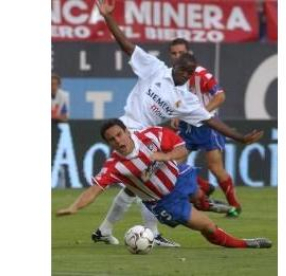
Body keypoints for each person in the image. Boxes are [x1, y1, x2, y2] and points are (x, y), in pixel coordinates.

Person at [90, 0, 264, 248]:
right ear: (175, 65)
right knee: (153, 185)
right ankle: (156, 229)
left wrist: (240, 138)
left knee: (139, 187)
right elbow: (128, 47)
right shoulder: (154, 69)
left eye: (188, 71)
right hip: (129, 132)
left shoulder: (186, 100)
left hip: (146, 139)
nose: (184, 73)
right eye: (182, 68)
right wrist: (108, 18)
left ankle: (109, 230)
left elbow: (209, 120)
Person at [56, 119, 272, 249]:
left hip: (179, 176)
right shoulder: (115, 166)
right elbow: (94, 190)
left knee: (199, 195)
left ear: (127, 131)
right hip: (164, 202)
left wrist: (160, 157)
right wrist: (74, 207)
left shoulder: (151, 135)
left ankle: (206, 202)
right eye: (112, 139)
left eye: (120, 134)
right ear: (108, 143)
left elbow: (182, 149)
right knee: (207, 227)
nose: (118, 141)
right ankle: (246, 243)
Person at [168, 38, 242, 217]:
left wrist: (201, 112)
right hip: (187, 127)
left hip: (208, 126)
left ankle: (234, 206)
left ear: (189, 54)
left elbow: (220, 96)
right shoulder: (171, 75)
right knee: (171, 164)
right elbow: (179, 99)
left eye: (181, 53)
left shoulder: (201, 74)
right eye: (174, 53)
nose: (177, 56)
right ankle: (205, 187)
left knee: (216, 168)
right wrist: (178, 115)